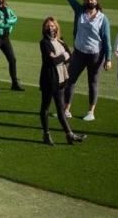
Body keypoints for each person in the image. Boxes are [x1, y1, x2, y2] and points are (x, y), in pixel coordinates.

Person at [56, 0, 111, 121]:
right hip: (79, 53)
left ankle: (91, 112)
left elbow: (106, 39)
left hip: (95, 55)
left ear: (96, 2)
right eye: (87, 0)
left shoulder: (102, 18)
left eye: (92, 0)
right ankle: (66, 109)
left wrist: (108, 59)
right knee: (70, 80)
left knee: (92, 83)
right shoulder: (79, 11)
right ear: (84, 1)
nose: (90, 2)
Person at [38, 17, 86, 145]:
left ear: (57, 27)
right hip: (49, 79)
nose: (50, 28)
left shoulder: (61, 41)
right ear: (44, 28)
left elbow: (69, 57)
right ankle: (46, 134)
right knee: (45, 107)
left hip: (61, 78)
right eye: (48, 26)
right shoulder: (44, 43)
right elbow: (52, 61)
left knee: (60, 109)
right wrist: (62, 55)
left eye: (53, 26)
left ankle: (69, 134)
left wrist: (60, 56)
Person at [0, 0, 24, 92]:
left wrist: (7, 22)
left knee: (12, 59)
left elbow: (15, 18)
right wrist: (9, 24)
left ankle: (14, 83)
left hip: (5, 37)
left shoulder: (8, 8)